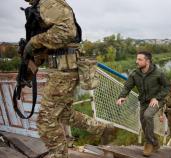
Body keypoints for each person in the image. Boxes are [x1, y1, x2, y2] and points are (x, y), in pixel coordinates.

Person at [22, 0, 114, 157]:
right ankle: (102, 129)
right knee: (63, 113)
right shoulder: (40, 6)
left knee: (45, 121)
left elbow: (67, 32)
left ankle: (59, 154)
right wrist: (31, 62)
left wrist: (34, 41)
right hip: (60, 70)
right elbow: (50, 46)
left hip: (64, 70)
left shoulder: (48, 2)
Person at [116, 51, 169, 157]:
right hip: (144, 101)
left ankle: (149, 143)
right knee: (143, 122)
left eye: (140, 59)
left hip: (157, 100)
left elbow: (166, 87)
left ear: (147, 61)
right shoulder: (135, 73)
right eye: (137, 59)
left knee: (147, 115)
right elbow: (127, 86)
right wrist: (122, 96)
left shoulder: (158, 73)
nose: (137, 61)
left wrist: (157, 98)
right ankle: (155, 143)